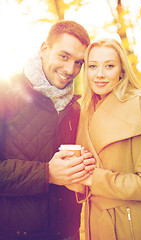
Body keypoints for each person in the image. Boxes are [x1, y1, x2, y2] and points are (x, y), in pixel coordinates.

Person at [0, 20, 95, 240]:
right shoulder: (5, 93)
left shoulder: (75, 107)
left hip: (67, 234)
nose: (71, 70)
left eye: (79, 62)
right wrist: (47, 173)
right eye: (64, 56)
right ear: (45, 49)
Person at [76, 38, 141, 240]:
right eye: (93, 66)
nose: (100, 74)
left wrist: (92, 179)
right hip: (92, 223)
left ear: (122, 70)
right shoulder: (83, 109)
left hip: (130, 224)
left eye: (109, 66)